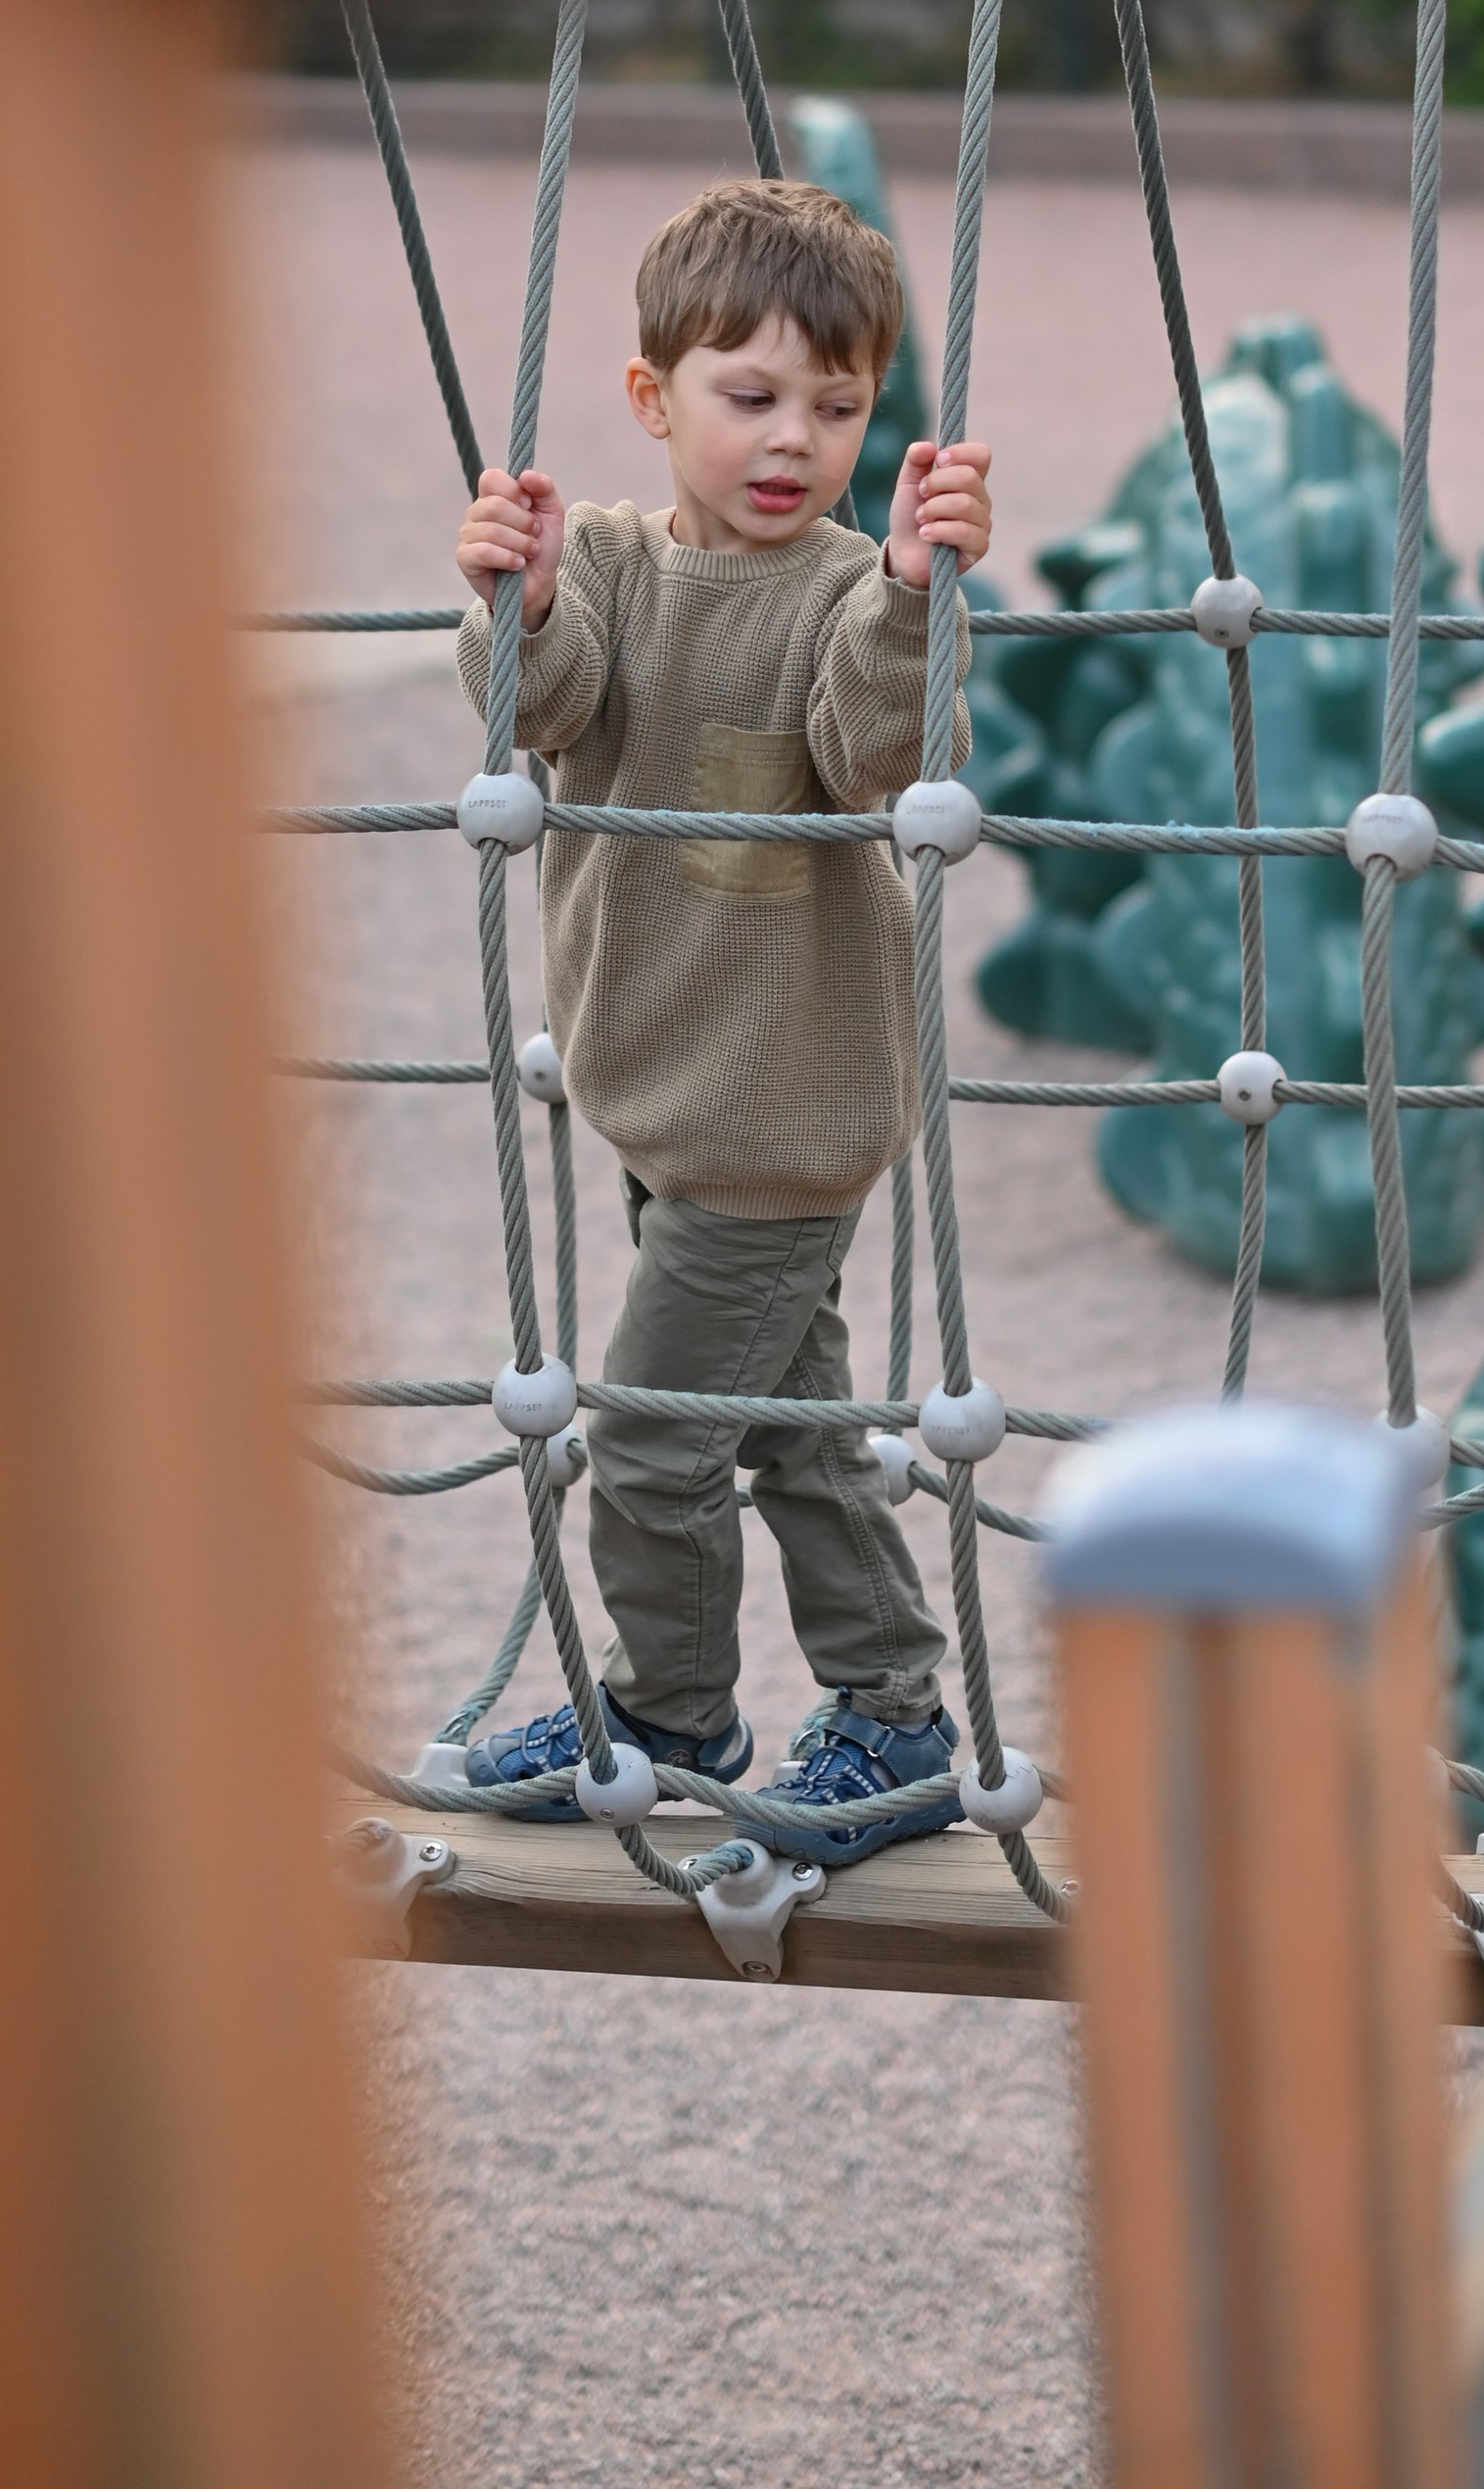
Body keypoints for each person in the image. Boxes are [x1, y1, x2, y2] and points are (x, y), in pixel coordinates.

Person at [453, 177, 994, 1857]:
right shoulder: (609, 562)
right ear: (652, 397)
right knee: (792, 1429)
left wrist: (911, 587)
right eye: (750, 397)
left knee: (653, 1445)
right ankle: (894, 1713)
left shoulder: (846, 589)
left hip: (784, 1120)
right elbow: (550, 712)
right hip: (662, 1095)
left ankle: (675, 1706)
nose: (795, 440)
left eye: (837, 407)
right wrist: (518, 600)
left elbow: (868, 751)